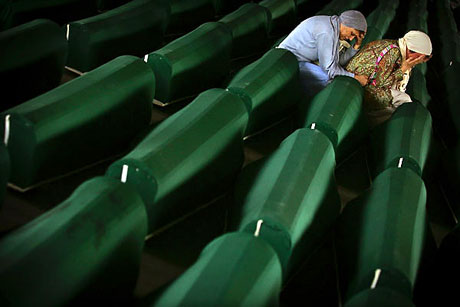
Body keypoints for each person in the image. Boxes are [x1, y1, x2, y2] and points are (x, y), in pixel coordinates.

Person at [345, 30, 432, 127]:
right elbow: (379, 83)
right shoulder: (392, 52)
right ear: (412, 51)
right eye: (421, 57)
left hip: (365, 84)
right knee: (401, 105)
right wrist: (403, 69)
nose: (421, 61)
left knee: (403, 100)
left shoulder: (395, 47)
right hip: (361, 87)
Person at [278, 10, 369, 98]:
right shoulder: (326, 31)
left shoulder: (334, 27)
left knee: (333, 74)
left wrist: (356, 45)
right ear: (346, 23)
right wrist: (355, 77)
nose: (350, 39)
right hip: (288, 61)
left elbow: (337, 63)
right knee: (326, 78)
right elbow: (329, 69)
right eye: (352, 33)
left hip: (300, 60)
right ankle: (305, 103)